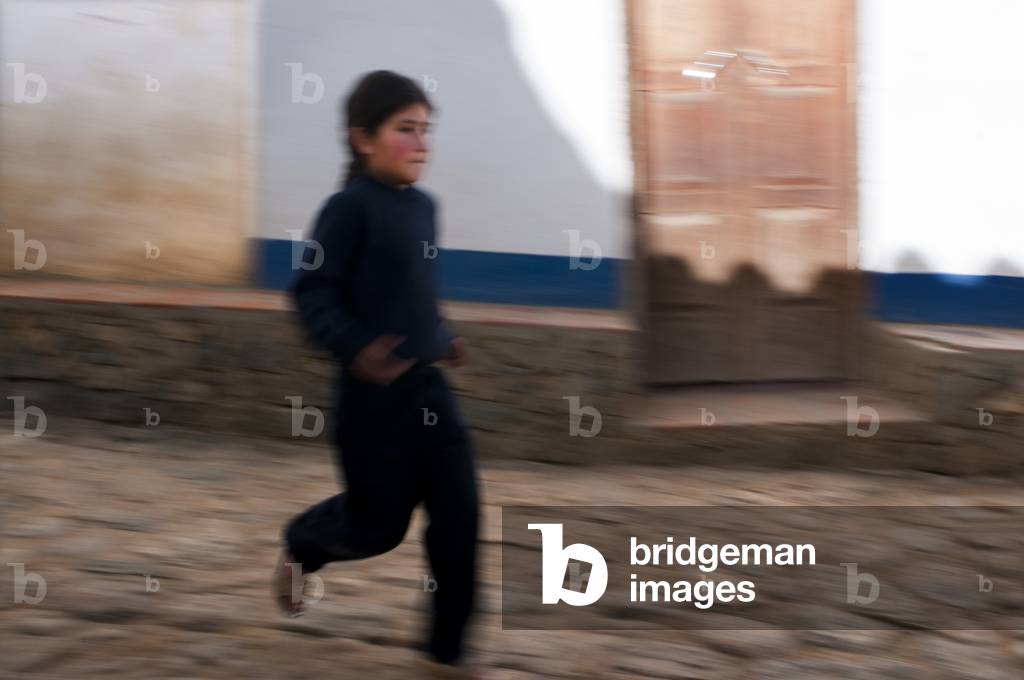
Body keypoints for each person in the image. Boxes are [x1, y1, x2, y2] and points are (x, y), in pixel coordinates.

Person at [273, 70, 485, 676]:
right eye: (406, 130)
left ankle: (449, 656)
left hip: (428, 393)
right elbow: (311, 293)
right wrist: (358, 346)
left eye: (426, 130)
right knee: (376, 528)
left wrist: (441, 335)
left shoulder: (424, 207)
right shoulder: (345, 211)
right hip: (371, 407)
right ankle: (303, 542)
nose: (422, 143)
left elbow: (415, 289)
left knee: (461, 517)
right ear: (362, 138)